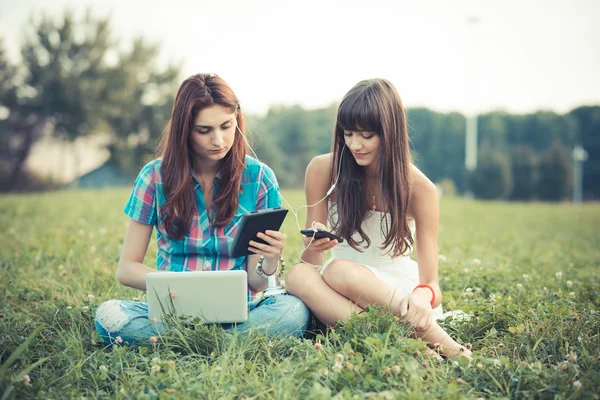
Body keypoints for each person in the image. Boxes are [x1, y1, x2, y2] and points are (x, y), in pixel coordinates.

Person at [94, 73, 310, 345]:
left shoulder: (260, 178)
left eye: (226, 126)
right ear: (185, 130)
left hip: (240, 311)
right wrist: (180, 288)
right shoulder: (154, 177)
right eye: (204, 130)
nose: (218, 140)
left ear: (237, 122)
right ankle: (225, 342)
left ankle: (185, 343)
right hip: (173, 311)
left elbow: (256, 284)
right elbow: (127, 269)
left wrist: (269, 260)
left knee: (294, 312)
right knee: (108, 315)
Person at [285, 78, 471, 359]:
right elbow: (312, 263)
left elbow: (432, 284)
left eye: (366, 135)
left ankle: (451, 349)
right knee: (298, 275)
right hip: (337, 293)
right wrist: (313, 247)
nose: (354, 145)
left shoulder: (420, 189)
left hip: (392, 294)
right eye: (348, 134)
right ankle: (406, 346)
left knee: (340, 270)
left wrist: (422, 296)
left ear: (390, 132)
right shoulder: (322, 169)